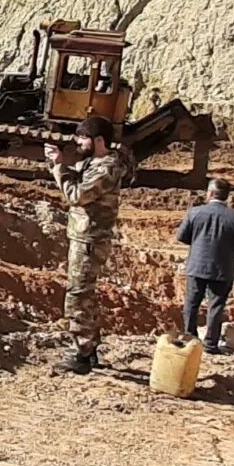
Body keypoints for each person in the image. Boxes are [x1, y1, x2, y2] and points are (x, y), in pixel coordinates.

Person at [45, 115, 134, 374]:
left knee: (78, 295)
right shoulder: (94, 162)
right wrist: (57, 164)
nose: (79, 142)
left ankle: (81, 354)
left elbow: (76, 195)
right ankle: (89, 347)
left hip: (90, 240)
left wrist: (60, 167)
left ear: (98, 140)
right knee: (85, 294)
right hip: (84, 237)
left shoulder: (106, 167)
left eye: (83, 138)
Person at [175, 178, 234, 352]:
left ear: (210, 193)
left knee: (191, 304)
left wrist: (197, 241)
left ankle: (189, 338)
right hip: (222, 270)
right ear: (226, 197)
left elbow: (181, 236)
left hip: (197, 266)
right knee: (216, 306)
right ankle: (210, 344)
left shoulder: (195, 212)